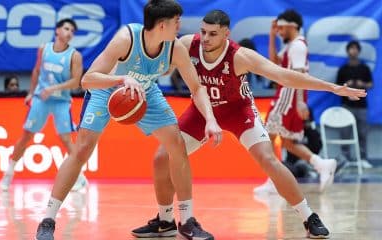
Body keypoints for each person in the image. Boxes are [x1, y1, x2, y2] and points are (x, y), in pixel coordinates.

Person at [131, 10, 366, 239]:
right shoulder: (186, 44)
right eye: (203, 32)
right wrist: (131, 80)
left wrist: (333, 87)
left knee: (269, 160)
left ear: (226, 34)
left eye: (212, 34)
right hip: (202, 110)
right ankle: (165, 220)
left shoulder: (240, 56)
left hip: (237, 110)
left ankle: (309, 217)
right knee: (162, 157)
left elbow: (285, 76)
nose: (205, 38)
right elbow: (160, 67)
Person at [35, 1, 222, 240]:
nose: (180, 26)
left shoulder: (175, 48)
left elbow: (196, 88)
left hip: (145, 91)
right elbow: (88, 80)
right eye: (177, 21)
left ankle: (185, 221)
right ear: (162, 25)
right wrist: (121, 79)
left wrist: (211, 119)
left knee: (177, 144)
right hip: (107, 89)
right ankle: (48, 220)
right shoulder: (126, 39)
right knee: (82, 150)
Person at [0, 18, 88, 192]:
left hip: (61, 101)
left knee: (66, 140)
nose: (69, 33)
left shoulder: (74, 55)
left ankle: (80, 178)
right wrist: (31, 93)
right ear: (57, 30)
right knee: (26, 137)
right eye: (66, 28)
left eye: (72, 31)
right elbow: (37, 70)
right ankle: (8, 174)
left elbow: (77, 82)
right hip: (41, 99)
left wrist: (54, 88)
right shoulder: (44, 49)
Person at [256, 9, 337, 194]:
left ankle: (273, 181)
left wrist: (300, 102)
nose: (280, 32)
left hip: (288, 97)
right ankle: (321, 164)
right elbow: (274, 62)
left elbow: (300, 74)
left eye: (281, 28)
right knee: (287, 142)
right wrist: (271, 36)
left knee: (267, 137)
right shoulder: (292, 45)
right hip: (288, 95)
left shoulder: (298, 46)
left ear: (292, 25)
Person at [336, 40, 373, 166]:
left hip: (361, 106)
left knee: (362, 132)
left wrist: (362, 84)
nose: (353, 51)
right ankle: (345, 158)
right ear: (347, 51)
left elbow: (371, 84)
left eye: (355, 48)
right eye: (351, 48)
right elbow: (337, 87)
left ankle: (362, 158)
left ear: (359, 51)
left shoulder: (364, 68)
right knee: (345, 132)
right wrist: (347, 86)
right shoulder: (343, 69)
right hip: (347, 105)